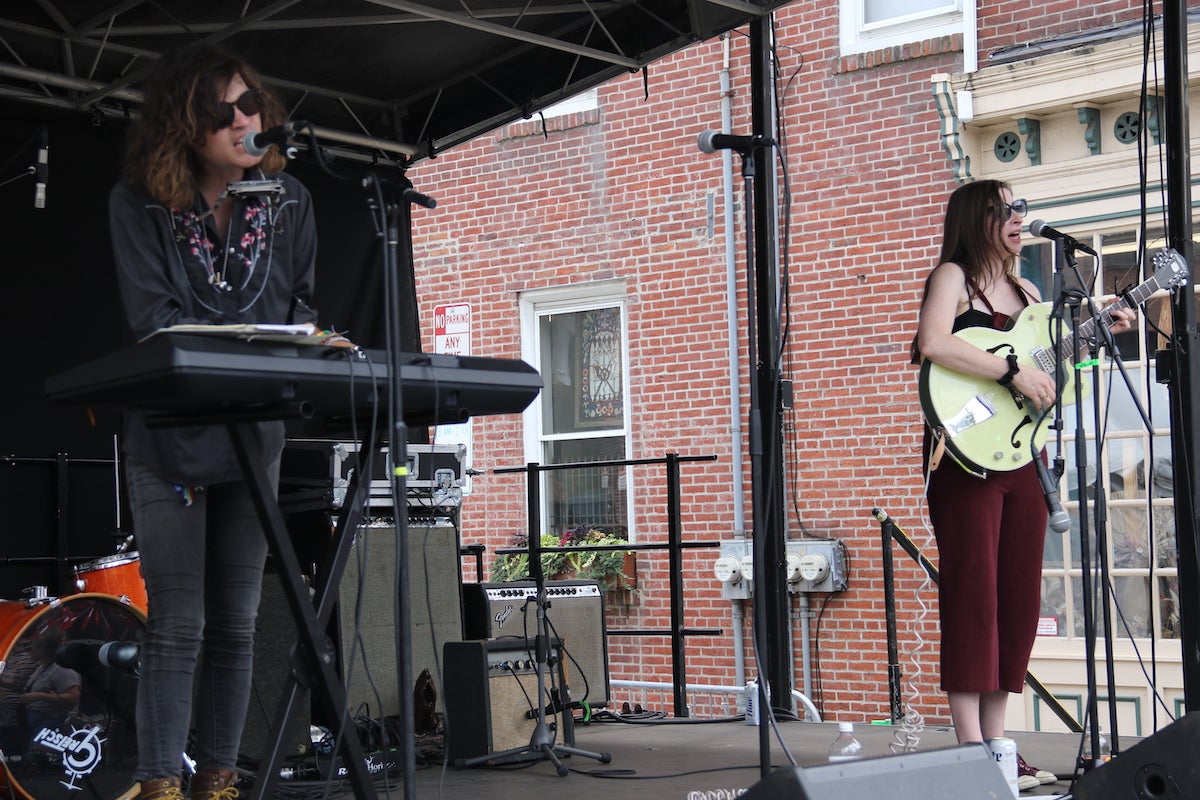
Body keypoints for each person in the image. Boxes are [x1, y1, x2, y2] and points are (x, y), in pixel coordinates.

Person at [108, 44, 350, 800]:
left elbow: (299, 305)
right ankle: (159, 786)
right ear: (187, 124)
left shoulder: (291, 203)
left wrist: (312, 340)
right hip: (172, 437)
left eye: (254, 106)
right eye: (228, 111)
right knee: (178, 623)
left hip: (254, 435)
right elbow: (157, 320)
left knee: (238, 623)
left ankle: (218, 781)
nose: (249, 121)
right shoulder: (139, 204)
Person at [913, 180, 1133, 786]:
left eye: (1021, 207)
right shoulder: (953, 278)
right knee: (974, 595)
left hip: (1023, 459)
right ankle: (968, 750)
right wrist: (1012, 370)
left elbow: (1053, 383)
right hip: (964, 461)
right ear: (977, 218)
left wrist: (1095, 341)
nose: (1018, 217)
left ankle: (999, 743)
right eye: (1005, 208)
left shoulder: (1032, 293)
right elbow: (933, 344)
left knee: (1017, 600)